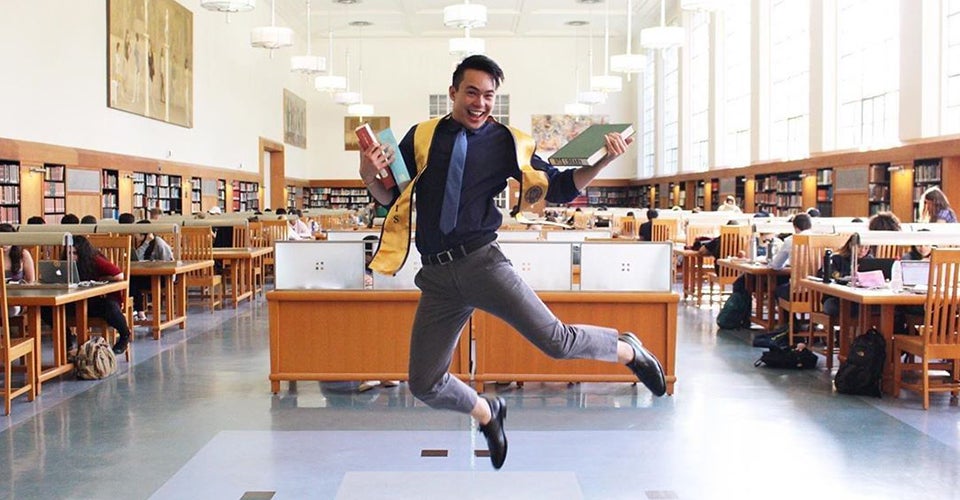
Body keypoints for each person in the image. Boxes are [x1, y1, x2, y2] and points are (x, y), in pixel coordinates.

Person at [357, 55, 666, 470]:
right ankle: (487, 412)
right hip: (436, 275)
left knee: (556, 341)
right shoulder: (422, 136)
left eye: (488, 96)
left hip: (482, 263)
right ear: (453, 93)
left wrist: (603, 160)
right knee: (425, 383)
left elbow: (557, 188)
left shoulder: (509, 143)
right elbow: (388, 195)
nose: (480, 103)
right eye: (471, 92)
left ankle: (625, 348)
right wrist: (367, 170)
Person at [129, 220, 175, 321]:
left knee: (132, 282)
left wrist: (146, 243)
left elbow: (168, 263)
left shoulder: (159, 243)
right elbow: (137, 258)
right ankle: (138, 312)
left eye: (137, 233)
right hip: (146, 275)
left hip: (161, 278)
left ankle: (138, 312)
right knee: (130, 281)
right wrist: (145, 243)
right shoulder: (143, 243)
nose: (135, 235)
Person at [1, 224, 35, 316]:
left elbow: (31, 281)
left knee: (9, 309)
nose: (5, 244)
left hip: (17, 300)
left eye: (8, 240)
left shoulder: (23, 255)